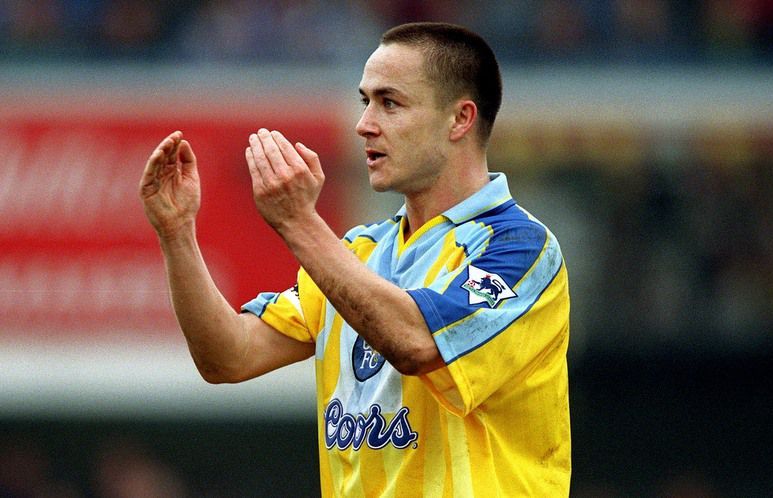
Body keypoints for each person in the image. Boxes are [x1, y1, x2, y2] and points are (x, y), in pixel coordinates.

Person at [139, 22, 571, 497]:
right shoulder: (357, 253)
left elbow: (417, 343)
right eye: (365, 100)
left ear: (459, 119)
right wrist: (177, 234)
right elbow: (229, 356)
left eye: (390, 103)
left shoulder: (520, 248)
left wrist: (298, 223)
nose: (364, 123)